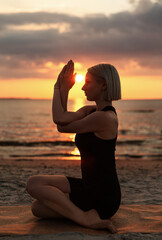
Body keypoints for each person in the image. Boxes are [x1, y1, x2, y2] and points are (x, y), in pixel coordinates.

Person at [26, 60, 121, 233]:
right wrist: (64, 89)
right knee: (37, 208)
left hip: (103, 196)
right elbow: (62, 120)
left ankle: (86, 219)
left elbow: (60, 123)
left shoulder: (104, 118)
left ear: (104, 85)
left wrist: (57, 89)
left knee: (33, 184)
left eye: (88, 82)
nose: (83, 88)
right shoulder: (90, 111)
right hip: (88, 185)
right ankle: (81, 214)